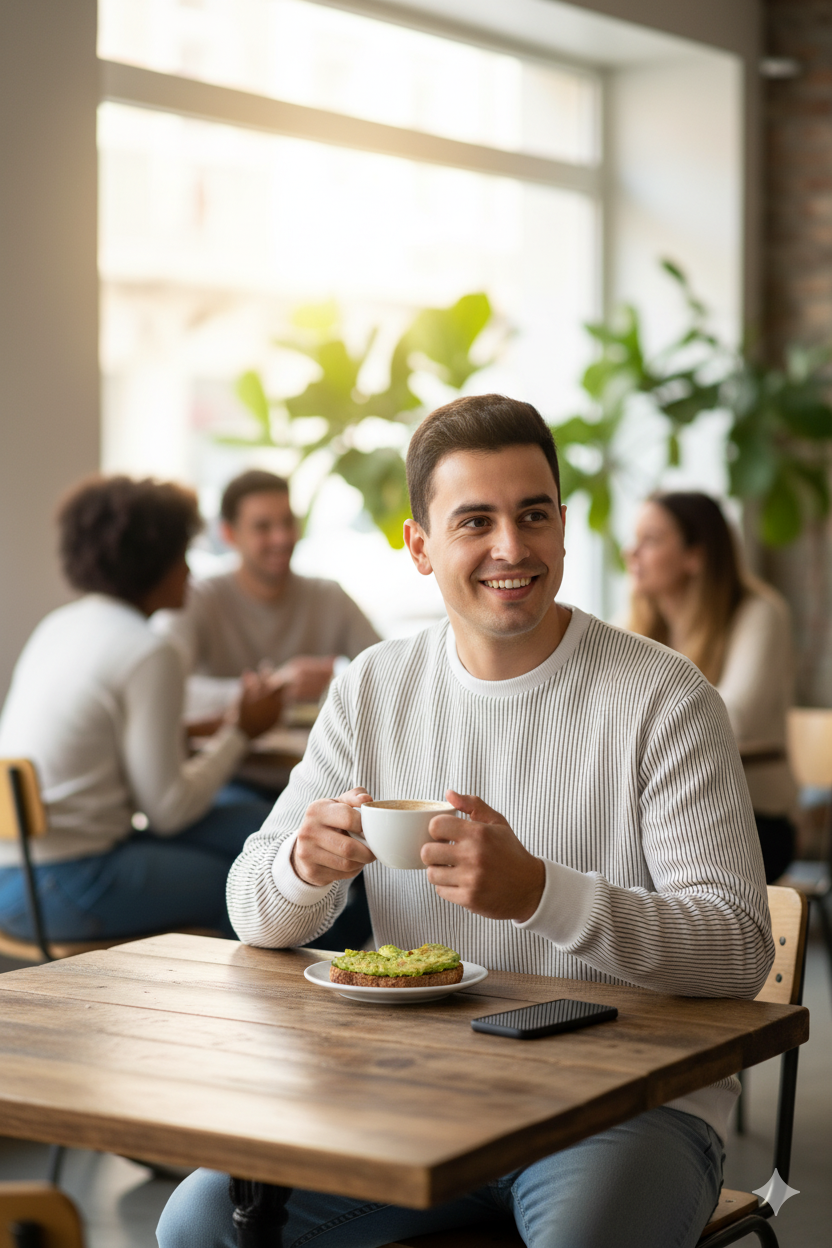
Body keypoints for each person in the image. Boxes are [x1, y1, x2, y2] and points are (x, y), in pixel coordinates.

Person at [158, 395, 773, 1248]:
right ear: (420, 547)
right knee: (200, 1224)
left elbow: (741, 948)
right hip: (419, 1094)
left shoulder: (665, 698)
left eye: (534, 515)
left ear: (564, 529)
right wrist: (302, 867)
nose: (511, 548)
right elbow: (249, 909)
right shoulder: (374, 688)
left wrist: (540, 894)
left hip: (629, 1108)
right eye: (476, 521)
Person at [0, 476, 282, 943]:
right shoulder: (148, 651)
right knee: (246, 884)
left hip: (16, 873)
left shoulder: (61, 624)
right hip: (62, 882)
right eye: (182, 556)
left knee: (256, 827)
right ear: (154, 562)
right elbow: (168, 811)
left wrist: (212, 728)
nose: (189, 572)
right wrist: (240, 733)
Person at [625, 490, 797, 883]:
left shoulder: (760, 614)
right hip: (665, 811)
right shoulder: (640, 621)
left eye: (650, 540)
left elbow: (734, 718)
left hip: (752, 820)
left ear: (695, 556)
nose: (631, 552)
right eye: (634, 539)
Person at [154, 469, 380, 722]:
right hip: (227, 748)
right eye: (263, 527)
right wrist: (273, 688)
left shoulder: (329, 597)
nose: (281, 538)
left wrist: (335, 684)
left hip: (311, 747)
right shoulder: (196, 599)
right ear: (229, 534)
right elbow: (160, 688)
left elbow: (389, 674)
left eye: (287, 522)